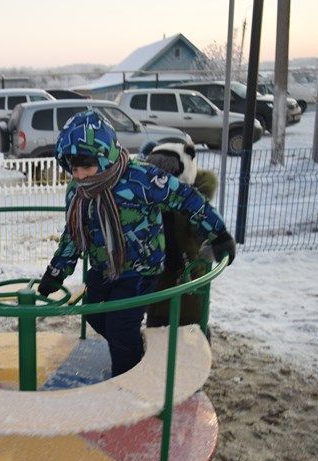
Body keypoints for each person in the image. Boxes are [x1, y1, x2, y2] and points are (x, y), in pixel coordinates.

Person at [37, 111, 235, 377]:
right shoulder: (78, 191)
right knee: (95, 314)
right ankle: (131, 350)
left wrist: (219, 234)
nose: (81, 175)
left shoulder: (141, 178)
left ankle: (130, 379)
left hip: (141, 269)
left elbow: (186, 198)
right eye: (73, 168)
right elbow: (74, 233)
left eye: (86, 166)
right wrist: (56, 272)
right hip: (104, 267)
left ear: (104, 156)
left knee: (120, 326)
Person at [141, 141, 221, 331]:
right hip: (157, 277)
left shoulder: (192, 203)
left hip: (187, 274)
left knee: (189, 323)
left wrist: (211, 243)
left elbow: (204, 228)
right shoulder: (148, 202)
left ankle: (198, 343)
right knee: (157, 323)